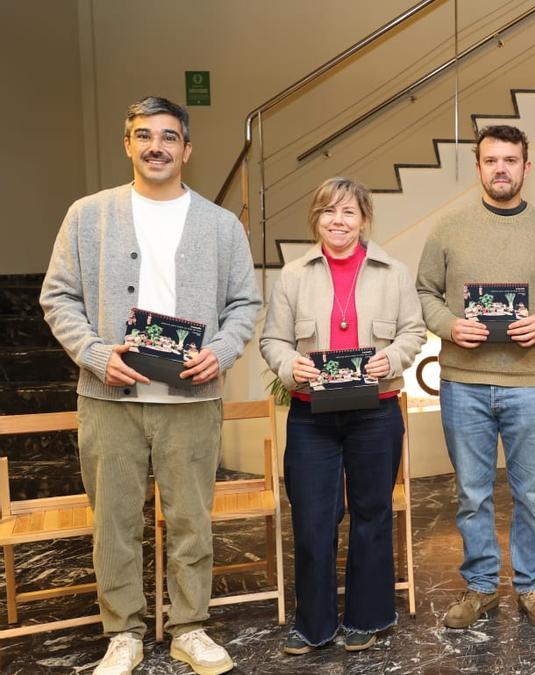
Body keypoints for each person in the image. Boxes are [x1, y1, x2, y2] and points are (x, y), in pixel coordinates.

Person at [40, 96, 260, 675]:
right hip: (109, 399)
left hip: (192, 400)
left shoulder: (221, 225)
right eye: (143, 135)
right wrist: (92, 354)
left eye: (168, 136)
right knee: (113, 521)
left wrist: (221, 351)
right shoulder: (88, 215)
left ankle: (189, 626)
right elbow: (57, 296)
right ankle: (123, 633)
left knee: (191, 520)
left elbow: (244, 303)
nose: (155, 146)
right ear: (128, 144)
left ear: (187, 149)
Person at [416, 125, 535, 630]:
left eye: (510, 160)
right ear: (479, 168)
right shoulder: (448, 228)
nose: (501, 168)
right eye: (491, 161)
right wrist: (449, 325)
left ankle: (532, 587)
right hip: (463, 383)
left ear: (526, 167)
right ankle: (482, 587)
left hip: (528, 385)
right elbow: (425, 293)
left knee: (531, 495)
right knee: (472, 493)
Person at [260, 177, 426, 655]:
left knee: (372, 514)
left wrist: (391, 360)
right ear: (316, 218)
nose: (339, 221)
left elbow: (413, 333)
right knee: (313, 519)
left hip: (376, 413)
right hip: (312, 417)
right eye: (329, 211)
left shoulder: (393, 273)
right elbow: (272, 340)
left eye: (349, 212)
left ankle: (368, 618)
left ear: (364, 219)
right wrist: (289, 365)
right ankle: (313, 624)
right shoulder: (293, 276)